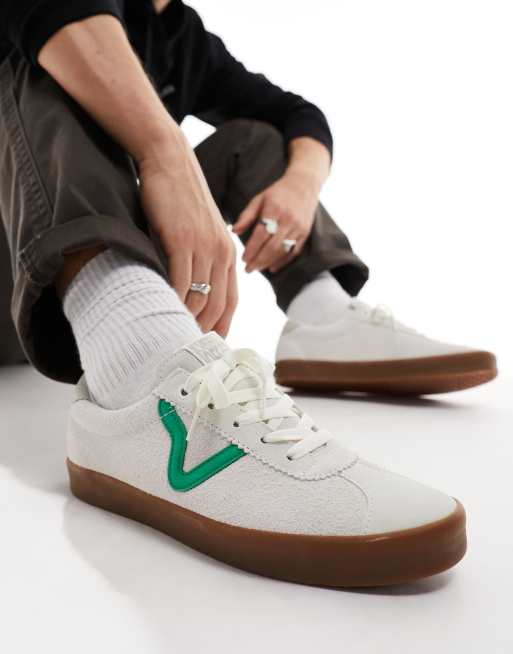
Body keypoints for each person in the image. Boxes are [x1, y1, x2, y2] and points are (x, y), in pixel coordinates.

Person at [0, 0, 479, 586]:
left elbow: (296, 115)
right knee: (45, 64)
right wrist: (166, 155)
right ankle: (137, 372)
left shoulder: (180, 34)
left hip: (72, 270)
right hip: (22, 266)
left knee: (253, 139)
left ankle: (322, 313)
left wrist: (299, 186)